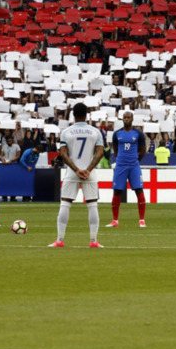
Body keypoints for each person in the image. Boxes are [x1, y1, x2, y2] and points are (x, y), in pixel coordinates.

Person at [49, 102, 105, 248]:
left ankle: (60, 240)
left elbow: (63, 153)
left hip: (72, 172)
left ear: (73, 114)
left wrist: (76, 169)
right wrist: (88, 169)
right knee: (92, 205)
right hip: (89, 172)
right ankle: (93, 241)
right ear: (87, 115)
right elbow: (100, 152)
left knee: (65, 204)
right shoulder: (95, 132)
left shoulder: (66, 132)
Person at [107, 111, 147, 228]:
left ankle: (142, 220)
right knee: (117, 191)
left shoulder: (138, 134)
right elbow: (115, 150)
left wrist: (135, 160)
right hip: (120, 166)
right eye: (124, 117)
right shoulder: (117, 134)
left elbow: (143, 150)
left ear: (132, 119)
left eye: (128, 117)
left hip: (134, 166)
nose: (126, 119)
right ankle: (115, 220)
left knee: (139, 190)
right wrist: (121, 160)